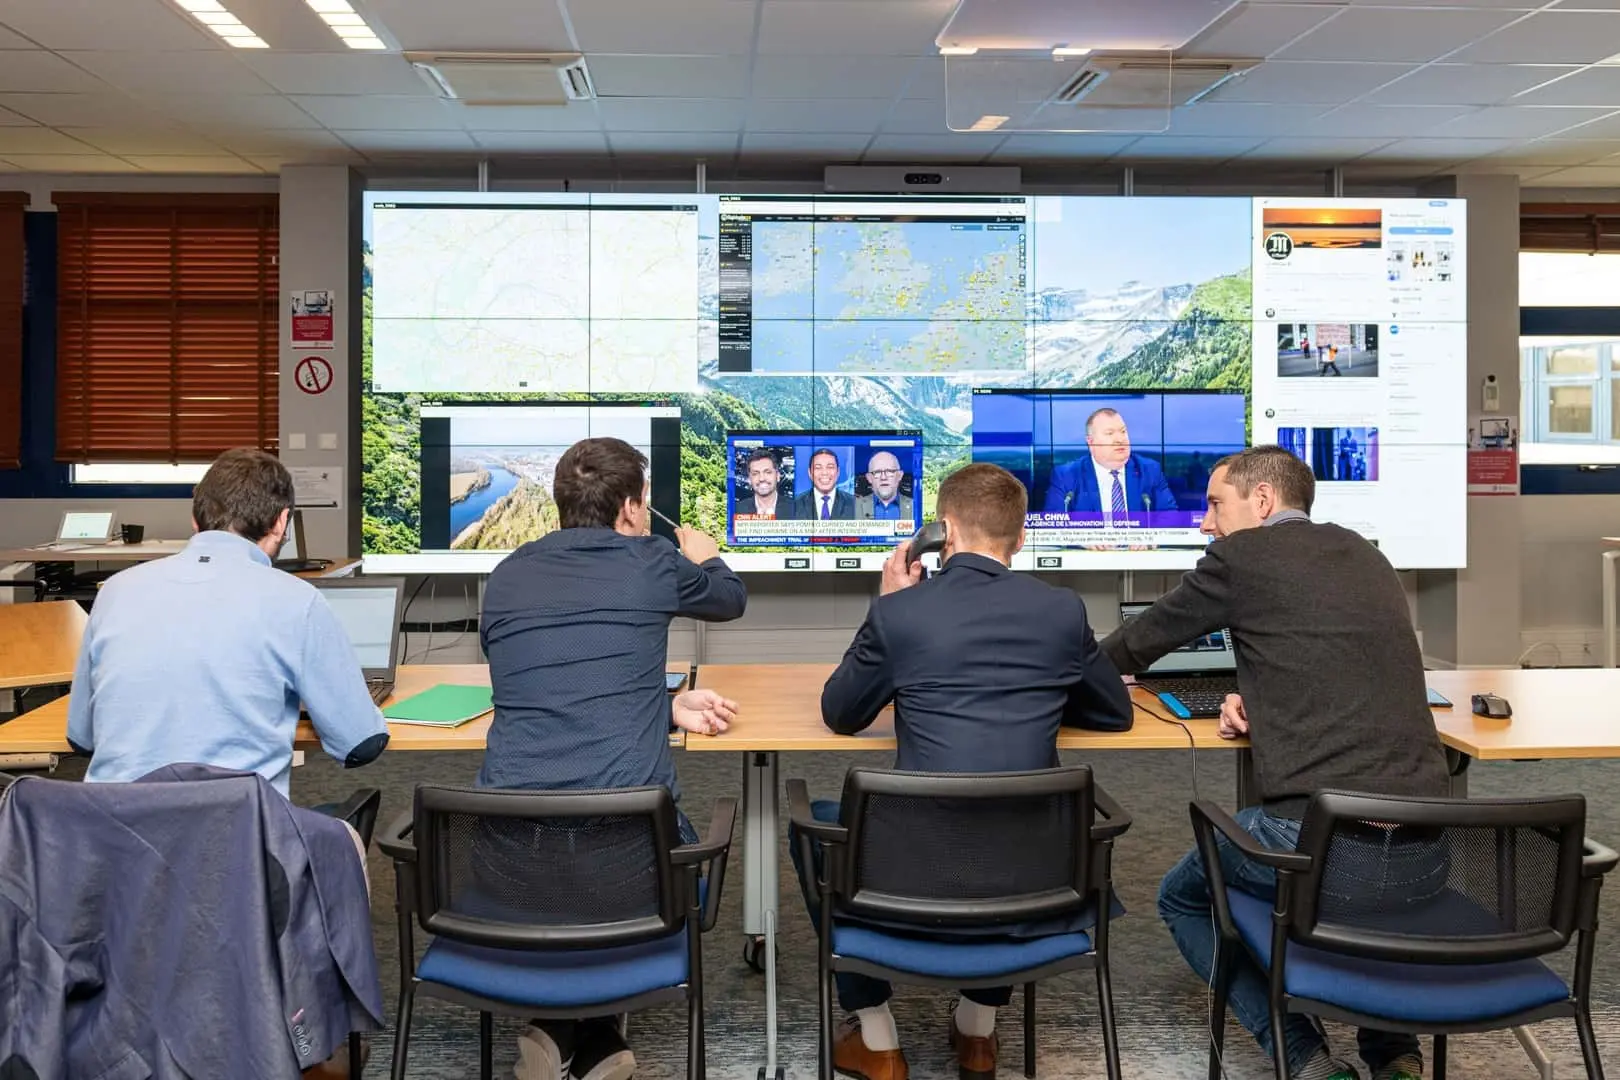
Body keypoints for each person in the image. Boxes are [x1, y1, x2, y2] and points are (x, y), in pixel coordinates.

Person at [1099, 445, 1450, 1080]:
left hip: (1319, 850)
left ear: (1261, 502)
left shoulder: (1242, 555)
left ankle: (1306, 1056)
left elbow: (1130, 646)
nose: (1205, 523)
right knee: (1375, 896)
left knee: (1184, 896)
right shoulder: (1366, 554)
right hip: (1429, 853)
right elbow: (1338, 661)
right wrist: (1264, 699)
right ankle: (1396, 1056)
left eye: (1214, 505)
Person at [797, 463, 1133, 1080]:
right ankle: (978, 1031)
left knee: (810, 822)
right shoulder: (1060, 612)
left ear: (941, 532)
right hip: (1039, 873)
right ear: (1022, 537)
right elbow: (1114, 714)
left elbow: (840, 712)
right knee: (1006, 816)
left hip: (907, 874)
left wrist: (889, 604)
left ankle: (877, 1040)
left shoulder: (902, 613)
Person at [477, 436, 747, 1080]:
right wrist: (707, 555)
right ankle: (593, 1025)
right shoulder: (654, 560)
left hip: (509, 859)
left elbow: (555, 677)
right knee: (619, 861)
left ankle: (560, 1027)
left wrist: (662, 705)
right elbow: (728, 598)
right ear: (632, 509)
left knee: (570, 866)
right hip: (635, 861)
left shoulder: (507, 573)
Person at [66, 447, 389, 797]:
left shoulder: (116, 590)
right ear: (282, 522)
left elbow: (81, 737)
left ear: (195, 517)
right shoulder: (298, 600)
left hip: (114, 839)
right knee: (346, 839)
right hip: (235, 842)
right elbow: (360, 743)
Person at [1040, 407, 1178, 515]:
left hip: (1138, 551)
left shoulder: (1149, 470)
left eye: (1123, 431)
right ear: (1091, 442)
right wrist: (1081, 540)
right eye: (1110, 433)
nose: (1120, 439)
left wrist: (1150, 539)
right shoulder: (1066, 476)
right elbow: (1053, 521)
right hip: (1090, 552)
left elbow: (1171, 516)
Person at [793, 447, 855, 520]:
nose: (824, 473)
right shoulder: (794, 504)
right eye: (818, 468)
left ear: (838, 472)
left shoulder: (853, 503)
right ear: (810, 473)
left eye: (830, 467)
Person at [735, 447, 798, 519]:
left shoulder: (796, 510)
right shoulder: (737, 510)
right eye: (755, 473)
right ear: (749, 479)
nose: (762, 478)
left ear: (777, 476)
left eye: (768, 472)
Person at [853, 450, 913, 521]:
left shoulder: (915, 507)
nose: (883, 477)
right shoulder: (853, 508)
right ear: (869, 478)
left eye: (890, 471)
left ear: (899, 475)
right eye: (877, 472)